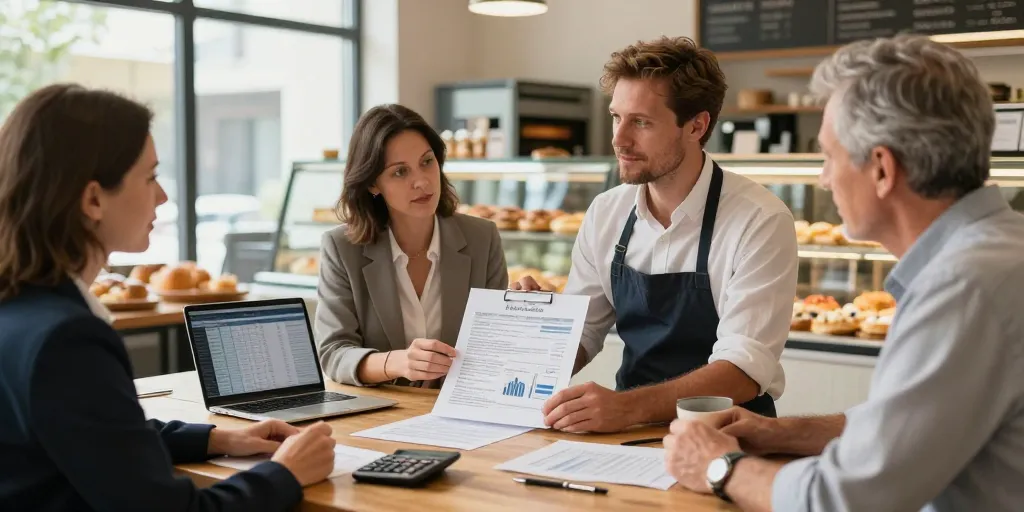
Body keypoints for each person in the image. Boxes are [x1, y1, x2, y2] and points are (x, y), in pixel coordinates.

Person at [663, 34, 1024, 511]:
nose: (823, 178)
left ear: (881, 169)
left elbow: (845, 500)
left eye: (830, 156)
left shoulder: (962, 287)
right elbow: (910, 427)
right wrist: (781, 433)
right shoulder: (1000, 249)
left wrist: (719, 467)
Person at [0, 84, 336, 511]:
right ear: (92, 198)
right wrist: (285, 473)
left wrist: (218, 438)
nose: (162, 196)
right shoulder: (67, 339)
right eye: (151, 177)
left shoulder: (21, 309)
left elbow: (95, 433)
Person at [515, 36, 797, 432]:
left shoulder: (760, 220)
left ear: (696, 126)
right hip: (628, 431)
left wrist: (626, 408)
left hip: (730, 434)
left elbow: (741, 370)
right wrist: (541, 330)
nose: (618, 139)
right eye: (616, 117)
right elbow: (585, 332)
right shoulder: (606, 212)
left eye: (641, 122)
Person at [315, 104, 507, 388]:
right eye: (400, 172)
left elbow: (498, 346)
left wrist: (526, 310)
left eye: (427, 162)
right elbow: (334, 354)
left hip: (461, 413)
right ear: (372, 184)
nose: (421, 181)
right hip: (379, 416)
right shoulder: (341, 248)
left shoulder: (482, 238)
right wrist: (398, 362)